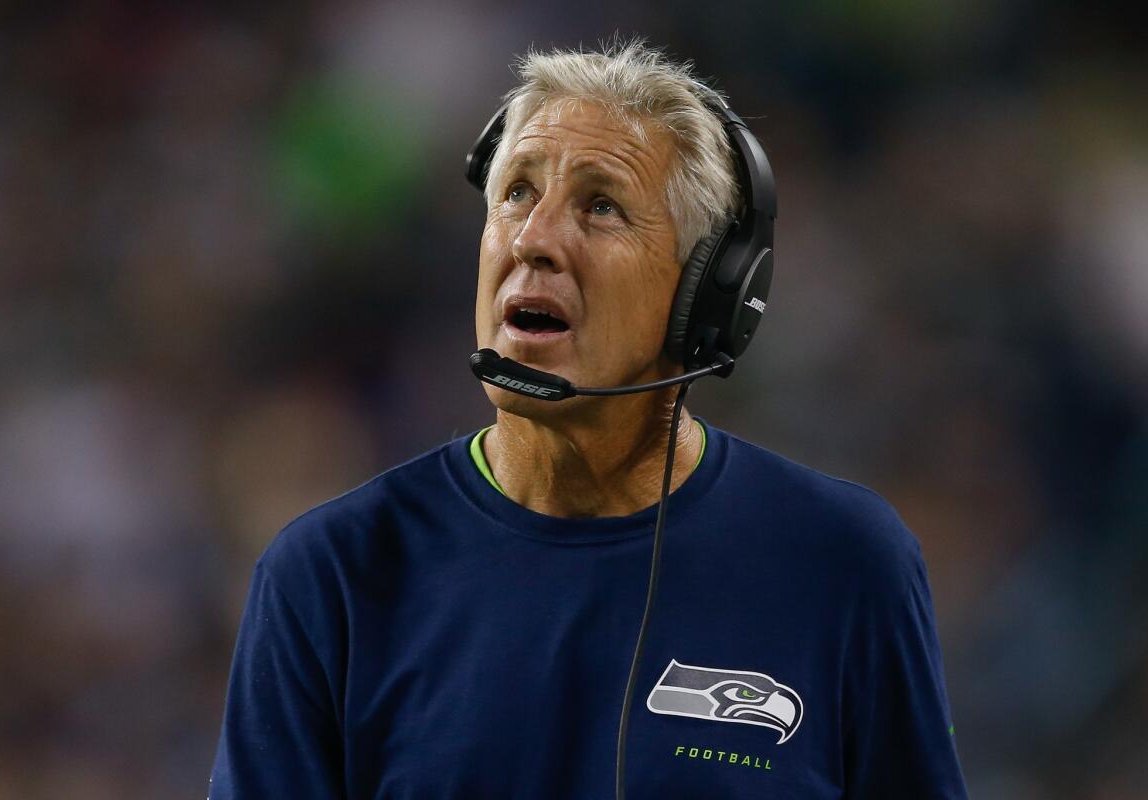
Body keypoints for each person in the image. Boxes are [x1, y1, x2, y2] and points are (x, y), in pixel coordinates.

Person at [209, 40, 969, 799]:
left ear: (708, 294)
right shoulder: (331, 576)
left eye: (601, 205)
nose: (533, 239)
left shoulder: (844, 563)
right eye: (515, 193)